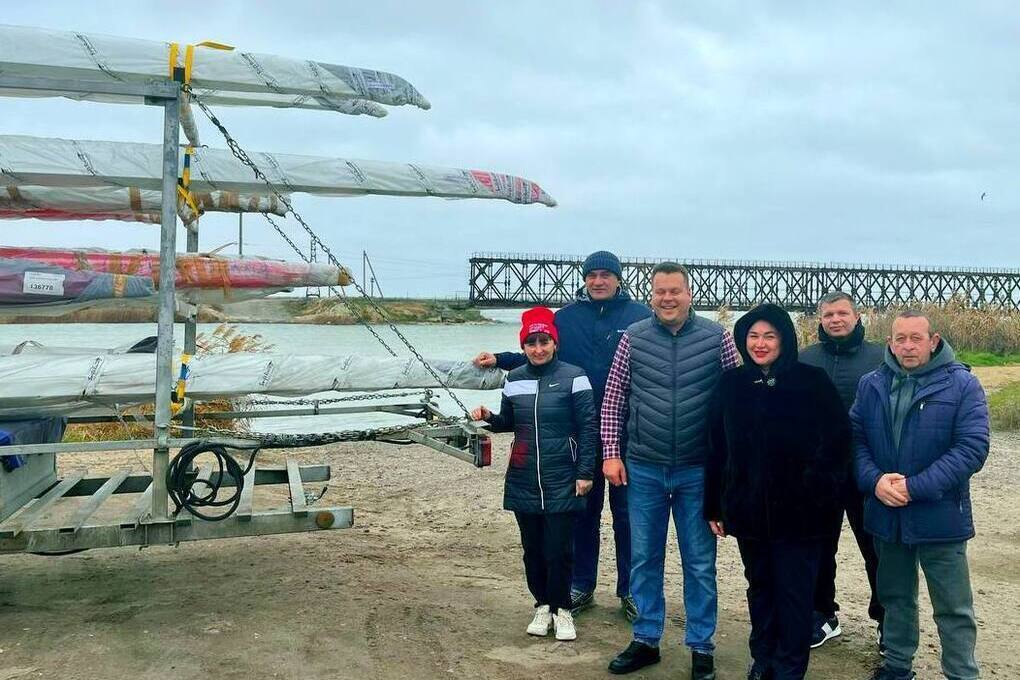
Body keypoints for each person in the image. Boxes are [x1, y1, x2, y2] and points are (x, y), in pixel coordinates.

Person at [473, 250, 651, 619]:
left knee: (628, 516)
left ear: (618, 279)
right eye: (592, 275)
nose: (598, 281)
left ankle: (631, 590)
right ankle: (581, 585)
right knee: (581, 514)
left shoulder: (639, 316)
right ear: (584, 280)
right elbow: (542, 351)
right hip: (578, 433)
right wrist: (502, 359)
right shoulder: (567, 318)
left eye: (606, 275)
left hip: (626, 432)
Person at [600, 262, 739, 679]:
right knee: (644, 558)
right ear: (651, 296)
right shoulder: (633, 338)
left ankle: (701, 646)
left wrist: (731, 467)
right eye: (660, 292)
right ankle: (646, 639)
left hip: (698, 470)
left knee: (700, 563)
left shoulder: (717, 338)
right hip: (644, 467)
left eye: (674, 291)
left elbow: (737, 400)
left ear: (689, 294)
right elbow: (614, 397)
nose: (667, 299)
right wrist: (611, 453)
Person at [705, 303, 851, 680]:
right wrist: (714, 504)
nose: (760, 343)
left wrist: (818, 489)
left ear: (784, 340)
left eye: (769, 336)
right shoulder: (731, 385)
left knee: (795, 595)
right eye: (753, 336)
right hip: (749, 510)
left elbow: (837, 442)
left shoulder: (812, 381)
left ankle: (789, 668)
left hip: (801, 515)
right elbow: (716, 447)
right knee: (760, 589)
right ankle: (763, 660)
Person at [852, 310, 989, 680]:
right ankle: (897, 666)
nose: (908, 346)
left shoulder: (962, 384)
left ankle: (961, 673)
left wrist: (914, 487)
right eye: (901, 339)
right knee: (895, 596)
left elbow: (972, 448)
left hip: (940, 516)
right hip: (887, 514)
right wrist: (875, 481)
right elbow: (855, 441)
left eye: (916, 338)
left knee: (953, 606)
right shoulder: (871, 384)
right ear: (890, 343)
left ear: (934, 341)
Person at [471, 306, 598, 642]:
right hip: (524, 475)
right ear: (523, 347)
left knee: (560, 550)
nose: (538, 349)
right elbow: (509, 422)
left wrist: (585, 472)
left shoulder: (575, 376)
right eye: (532, 343)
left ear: (555, 343)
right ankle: (542, 605)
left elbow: (588, 428)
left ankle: (563, 610)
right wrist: (489, 417)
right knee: (533, 549)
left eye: (544, 341)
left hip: (563, 475)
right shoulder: (514, 379)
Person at [799, 291, 885, 650]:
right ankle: (822, 616)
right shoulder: (806, 358)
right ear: (820, 319)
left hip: (866, 471)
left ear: (857, 316)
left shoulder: (881, 357)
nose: (835, 320)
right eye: (828, 314)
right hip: (819, 473)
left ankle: (886, 621)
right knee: (819, 548)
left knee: (876, 550)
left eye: (842, 313)